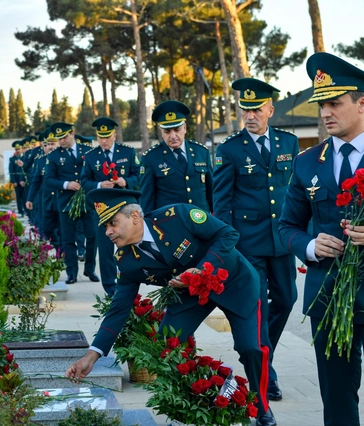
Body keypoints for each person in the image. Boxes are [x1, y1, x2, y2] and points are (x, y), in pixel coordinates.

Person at [66, 188, 276, 426]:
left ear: (135, 216)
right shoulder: (126, 260)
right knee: (166, 344)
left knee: (251, 348)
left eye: (112, 223)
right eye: (105, 226)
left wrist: (203, 267)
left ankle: (262, 409)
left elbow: (227, 234)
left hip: (233, 282)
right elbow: (118, 310)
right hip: (189, 294)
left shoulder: (177, 216)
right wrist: (91, 357)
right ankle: (197, 400)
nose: (108, 232)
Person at [279, 52, 364, 426]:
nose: (325, 113)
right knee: (336, 402)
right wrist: (310, 246)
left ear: (362, 102)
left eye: (335, 103)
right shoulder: (306, 162)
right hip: (329, 298)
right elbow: (287, 226)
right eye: (322, 105)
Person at [213, 78, 299, 402]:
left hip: (282, 241)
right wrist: (226, 245)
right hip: (247, 245)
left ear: (270, 110)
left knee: (287, 299)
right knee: (260, 307)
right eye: (245, 109)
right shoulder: (230, 149)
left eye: (257, 109)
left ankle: (266, 357)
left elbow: (295, 192)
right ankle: (266, 376)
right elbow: (221, 202)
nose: (251, 115)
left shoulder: (289, 143)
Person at [81, 117, 140, 296]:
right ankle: (110, 287)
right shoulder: (91, 157)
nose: (104, 141)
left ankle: (129, 280)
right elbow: (84, 181)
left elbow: (139, 176)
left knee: (129, 245)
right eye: (100, 137)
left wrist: (125, 181)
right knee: (105, 249)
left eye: (107, 136)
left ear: (114, 135)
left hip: (125, 209)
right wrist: (99, 185)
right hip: (103, 209)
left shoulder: (128, 153)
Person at [44, 122, 98, 284]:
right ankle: (72, 272)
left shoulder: (87, 151)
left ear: (72, 134)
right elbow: (49, 180)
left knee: (92, 235)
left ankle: (90, 269)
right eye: (59, 139)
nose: (62, 141)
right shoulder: (53, 156)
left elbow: (94, 173)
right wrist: (66, 184)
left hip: (87, 201)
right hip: (66, 203)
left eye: (65, 137)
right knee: (68, 239)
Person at [139, 100, 213, 213]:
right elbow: (146, 200)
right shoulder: (150, 158)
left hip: (202, 221)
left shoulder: (201, 152)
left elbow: (212, 191)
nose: (173, 136)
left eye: (177, 130)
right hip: (170, 224)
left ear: (185, 128)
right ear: (161, 131)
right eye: (167, 131)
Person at [26, 130, 61, 250]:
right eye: (49, 144)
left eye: (53, 144)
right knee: (47, 228)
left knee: (63, 229)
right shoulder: (41, 160)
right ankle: (58, 245)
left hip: (61, 199)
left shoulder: (64, 158)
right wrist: (30, 198)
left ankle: (63, 252)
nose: (51, 147)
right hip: (47, 200)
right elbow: (35, 181)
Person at [9, 140, 26, 216]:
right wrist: (14, 181)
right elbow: (11, 171)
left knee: (25, 196)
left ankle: (25, 209)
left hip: (24, 180)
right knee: (18, 196)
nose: (18, 151)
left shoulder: (24, 157)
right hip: (17, 179)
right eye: (16, 149)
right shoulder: (12, 159)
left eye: (19, 149)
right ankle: (20, 210)